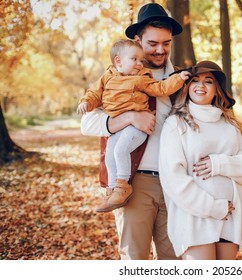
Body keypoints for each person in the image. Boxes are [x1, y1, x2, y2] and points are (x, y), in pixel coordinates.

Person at [80, 3, 184, 260]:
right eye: (152, 43)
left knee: (175, 259)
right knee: (136, 260)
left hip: (177, 182)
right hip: (136, 181)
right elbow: (87, 124)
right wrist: (129, 117)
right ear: (137, 40)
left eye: (166, 43)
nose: (160, 50)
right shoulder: (116, 76)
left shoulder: (181, 79)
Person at [159, 60, 242, 260]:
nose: (201, 85)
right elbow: (173, 178)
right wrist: (212, 208)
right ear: (187, 87)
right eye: (195, 80)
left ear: (217, 89)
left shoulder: (229, 125)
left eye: (208, 81)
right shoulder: (176, 124)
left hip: (231, 215)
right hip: (196, 217)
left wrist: (219, 164)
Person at [77, 38, 190, 213]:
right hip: (119, 128)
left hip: (137, 129)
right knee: (110, 154)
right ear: (118, 61)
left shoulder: (141, 78)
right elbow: (94, 94)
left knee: (120, 150)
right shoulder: (107, 77)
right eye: (134, 59)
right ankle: (113, 189)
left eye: (140, 60)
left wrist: (179, 78)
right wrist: (86, 103)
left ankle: (123, 186)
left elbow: (161, 88)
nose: (139, 63)